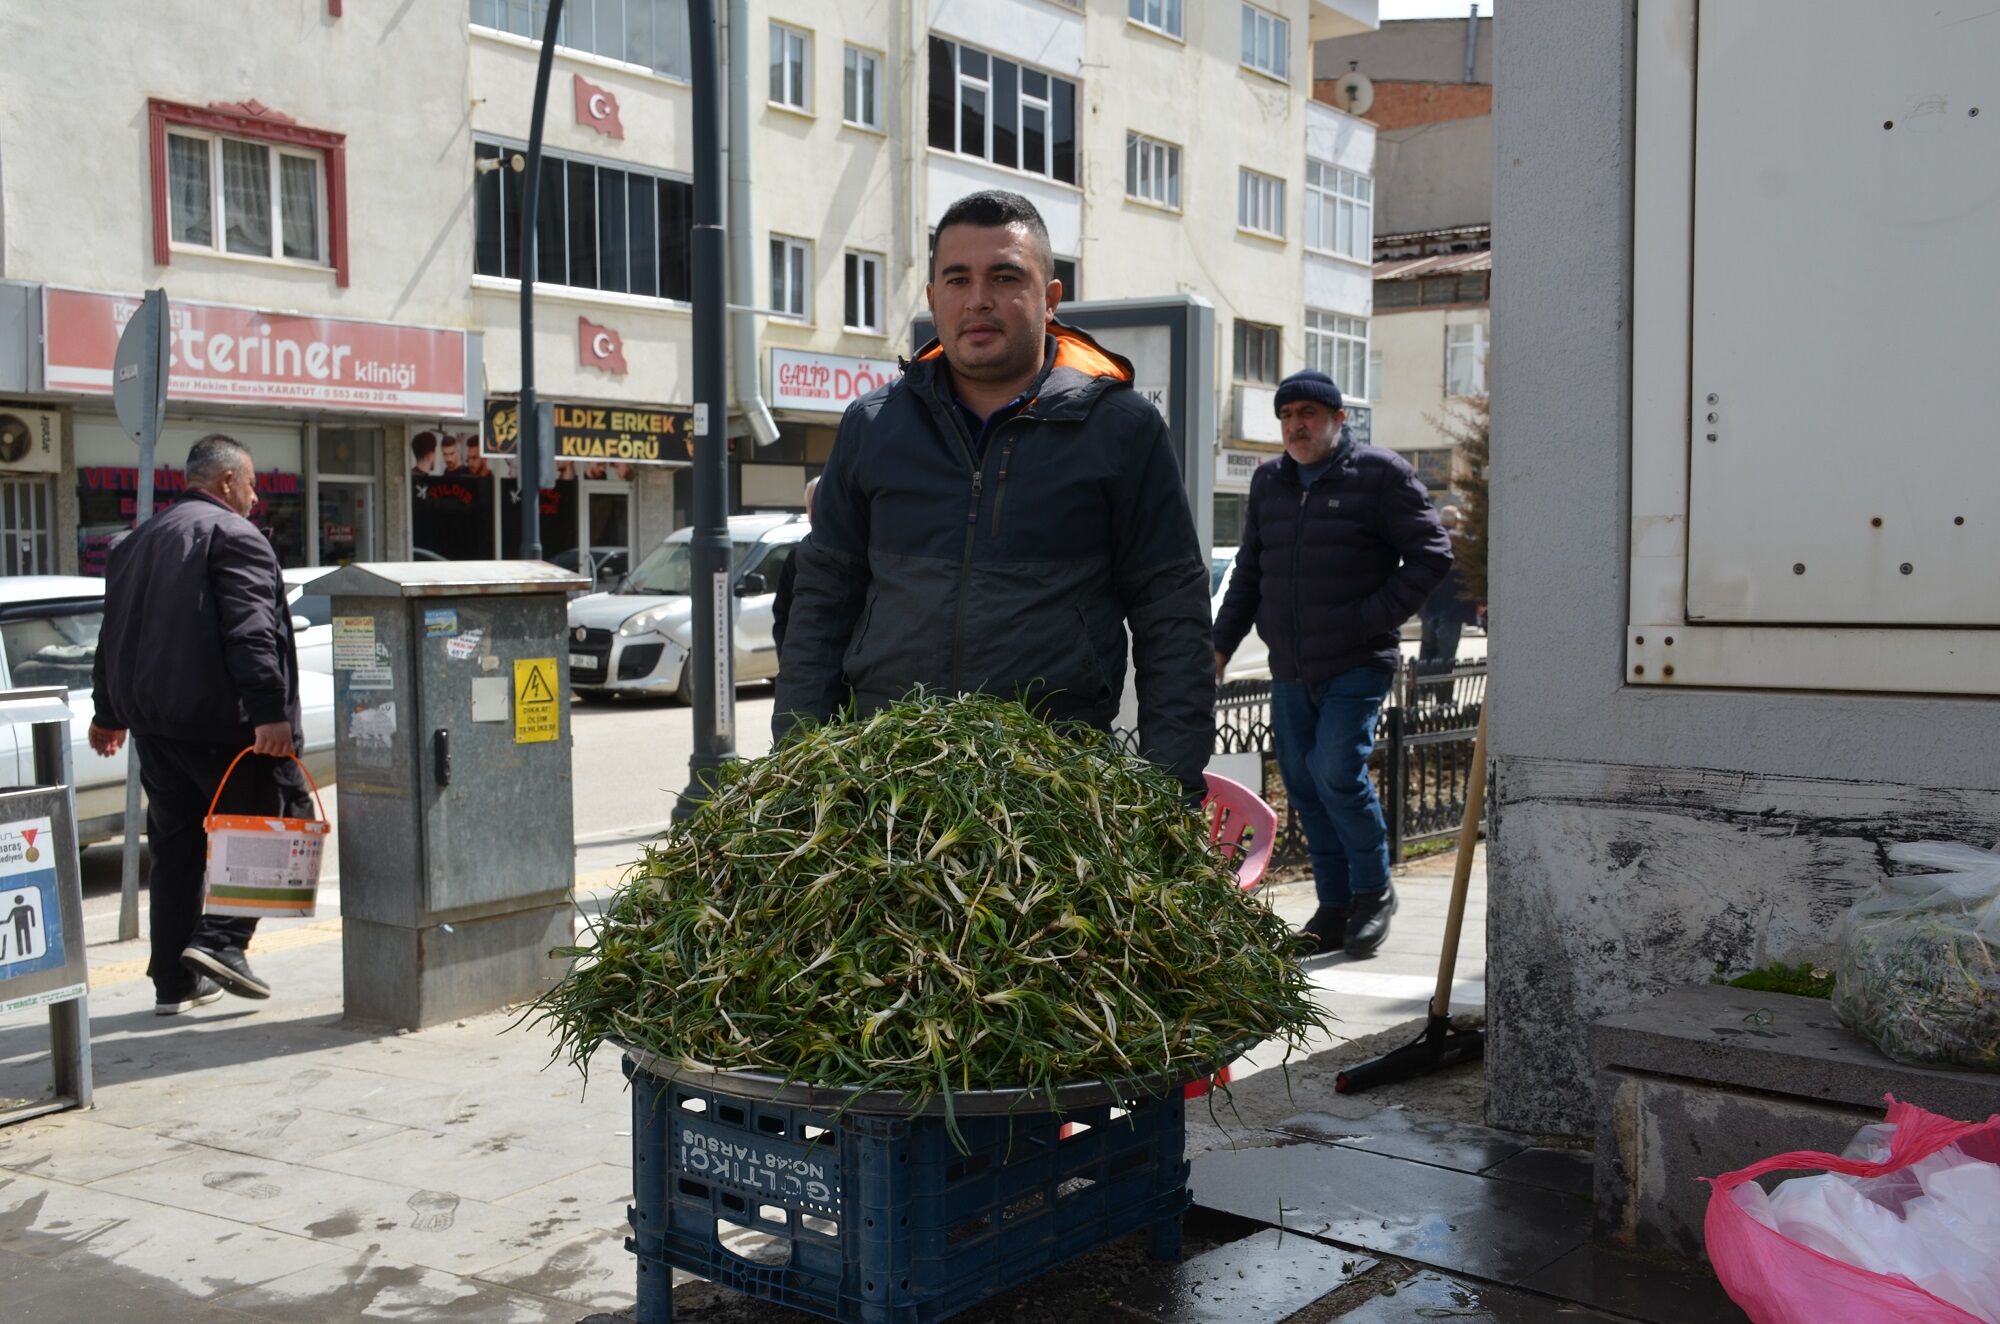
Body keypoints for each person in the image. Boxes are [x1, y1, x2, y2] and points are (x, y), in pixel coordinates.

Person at [776, 189, 1213, 799]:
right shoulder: (872, 425)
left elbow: (1172, 616)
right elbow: (822, 602)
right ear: (933, 298)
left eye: (1005, 276)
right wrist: (798, 769)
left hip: (1054, 788)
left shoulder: (1124, 432)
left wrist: (1169, 794)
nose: (977, 299)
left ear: (1050, 298)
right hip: (884, 782)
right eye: (956, 279)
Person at [1213, 370, 1451, 957]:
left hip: (1357, 660)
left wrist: (1369, 617)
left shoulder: (1379, 475)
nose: (1297, 425)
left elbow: (1431, 556)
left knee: (1337, 771)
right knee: (1304, 783)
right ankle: (1336, 905)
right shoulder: (1270, 481)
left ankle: (1374, 894)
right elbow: (1250, 572)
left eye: (1309, 414)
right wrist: (1218, 646)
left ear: (1339, 420)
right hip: (1292, 665)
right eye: (1287, 415)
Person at [88, 434, 311, 1015]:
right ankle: (221, 943)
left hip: (156, 730)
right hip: (226, 726)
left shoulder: (134, 543)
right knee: (279, 819)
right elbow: (251, 633)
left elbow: (111, 637)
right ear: (228, 482)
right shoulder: (235, 537)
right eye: (254, 483)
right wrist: (270, 714)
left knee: (178, 850)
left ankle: (174, 982)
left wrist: (108, 713)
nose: (258, 497)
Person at [1418, 506, 1479, 669]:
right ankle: (1442, 692)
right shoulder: (1463, 543)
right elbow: (1471, 573)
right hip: (1453, 607)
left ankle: (1421, 690)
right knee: (1446, 654)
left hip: (1428, 605)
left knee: (1426, 651)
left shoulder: (1427, 539)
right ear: (1456, 521)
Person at [770, 475, 818, 655]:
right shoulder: (796, 558)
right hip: (803, 664)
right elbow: (781, 615)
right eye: (813, 505)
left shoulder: (855, 553)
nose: (818, 510)